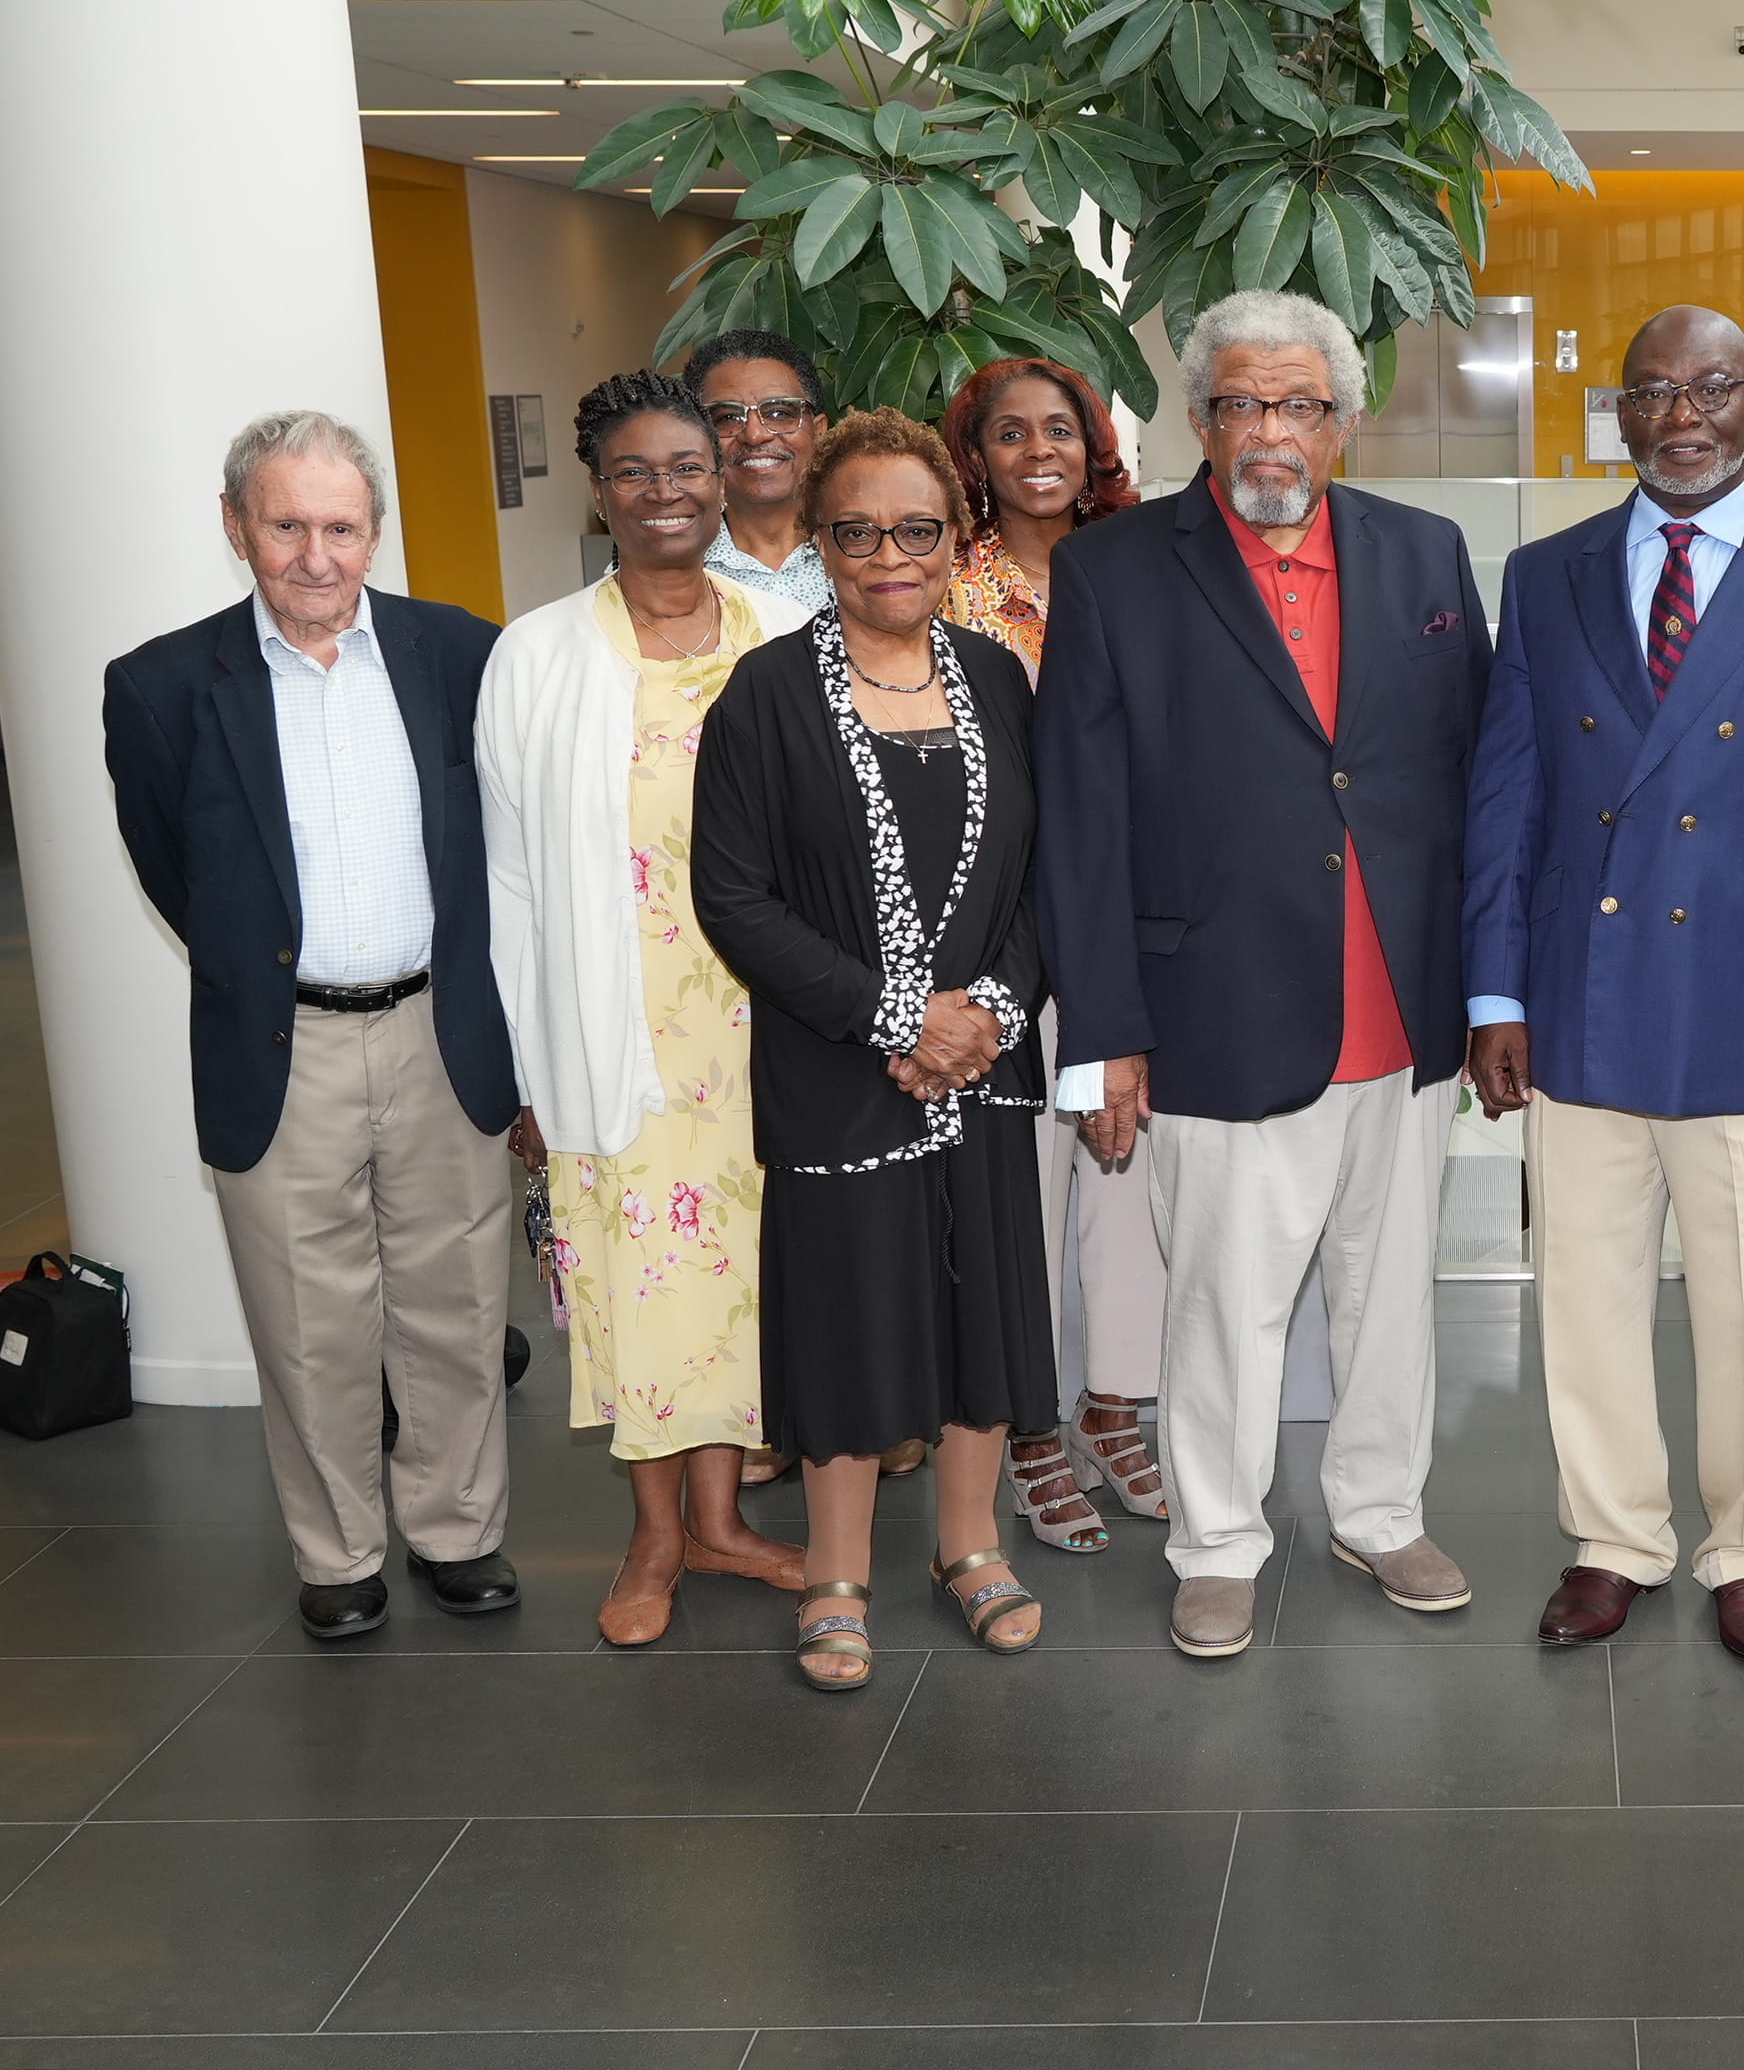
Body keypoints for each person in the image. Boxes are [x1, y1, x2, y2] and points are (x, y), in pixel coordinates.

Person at [1463, 304, 1744, 1668]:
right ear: (1618, 412)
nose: (1682, 417)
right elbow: (1509, 799)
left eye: (1711, 390)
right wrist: (1495, 995)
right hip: (1583, 991)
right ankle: (1613, 1537)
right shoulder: (1544, 577)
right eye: (1653, 391)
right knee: (1585, 1292)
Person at [1037, 290, 1493, 1659]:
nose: (1268, 431)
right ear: (1198, 420)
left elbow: (1469, 784)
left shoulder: (1426, 556)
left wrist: (1485, 1000)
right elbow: (1081, 821)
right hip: (1215, 1017)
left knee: (1391, 1296)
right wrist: (1103, 1039)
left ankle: (1378, 1509)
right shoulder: (1115, 571)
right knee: (1221, 1308)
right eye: (1240, 403)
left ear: (1344, 423)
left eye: (1297, 404)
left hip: (1399, 1013)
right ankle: (1218, 1539)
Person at [104, 412, 521, 1640]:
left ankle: (460, 1530)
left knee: (454, 1301)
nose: (316, 554)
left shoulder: (461, 656)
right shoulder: (163, 685)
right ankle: (337, 1553)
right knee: (307, 1321)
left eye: (340, 527)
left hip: (441, 1033)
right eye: (286, 525)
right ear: (238, 527)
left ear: (374, 531)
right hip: (281, 1048)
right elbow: (175, 871)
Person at [690, 408, 1055, 1690]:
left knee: (981, 1313)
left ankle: (969, 1546)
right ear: (822, 546)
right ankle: (836, 1573)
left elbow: (1041, 879)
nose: (888, 555)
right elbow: (733, 898)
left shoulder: (1001, 679)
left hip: (989, 1069)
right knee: (848, 1323)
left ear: (957, 539)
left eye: (915, 529)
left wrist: (987, 1013)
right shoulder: (765, 696)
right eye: (858, 532)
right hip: (836, 1068)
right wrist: (898, 1016)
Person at [477, 372, 813, 1645]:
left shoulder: (780, 644)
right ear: (600, 488)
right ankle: (656, 1536)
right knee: (636, 1275)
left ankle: (726, 1526)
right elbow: (508, 869)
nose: (666, 491)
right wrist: (522, 1054)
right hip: (608, 1022)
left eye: (688, 466)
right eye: (636, 471)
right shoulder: (539, 652)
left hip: (757, 1024)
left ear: (725, 479)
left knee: (741, 1278)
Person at [935, 355, 1162, 1553]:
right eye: (1010, 432)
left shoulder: (1143, 567)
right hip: (1003, 941)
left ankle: (1114, 1405)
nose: (1039, 451)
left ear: (1096, 445)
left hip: (1134, 928)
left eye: (1061, 430)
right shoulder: (943, 589)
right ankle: (1028, 1429)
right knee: (1020, 1200)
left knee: (1134, 1191)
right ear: (974, 454)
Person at [689, 329, 837, 616]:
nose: (755, 435)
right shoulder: (666, 566)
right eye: (727, 418)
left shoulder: (869, 549)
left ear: (819, 431)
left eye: (780, 413)